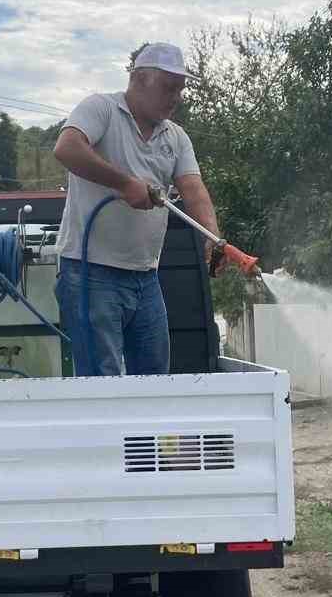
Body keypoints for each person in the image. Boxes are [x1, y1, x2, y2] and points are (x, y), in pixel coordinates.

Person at [52, 42, 222, 376]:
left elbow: (192, 187)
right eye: (169, 87)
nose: (176, 97)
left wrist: (212, 235)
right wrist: (125, 183)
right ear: (139, 79)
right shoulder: (100, 109)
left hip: (145, 277)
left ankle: (146, 431)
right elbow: (67, 148)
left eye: (180, 90)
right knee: (103, 378)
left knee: (154, 375)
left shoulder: (176, 137)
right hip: (90, 273)